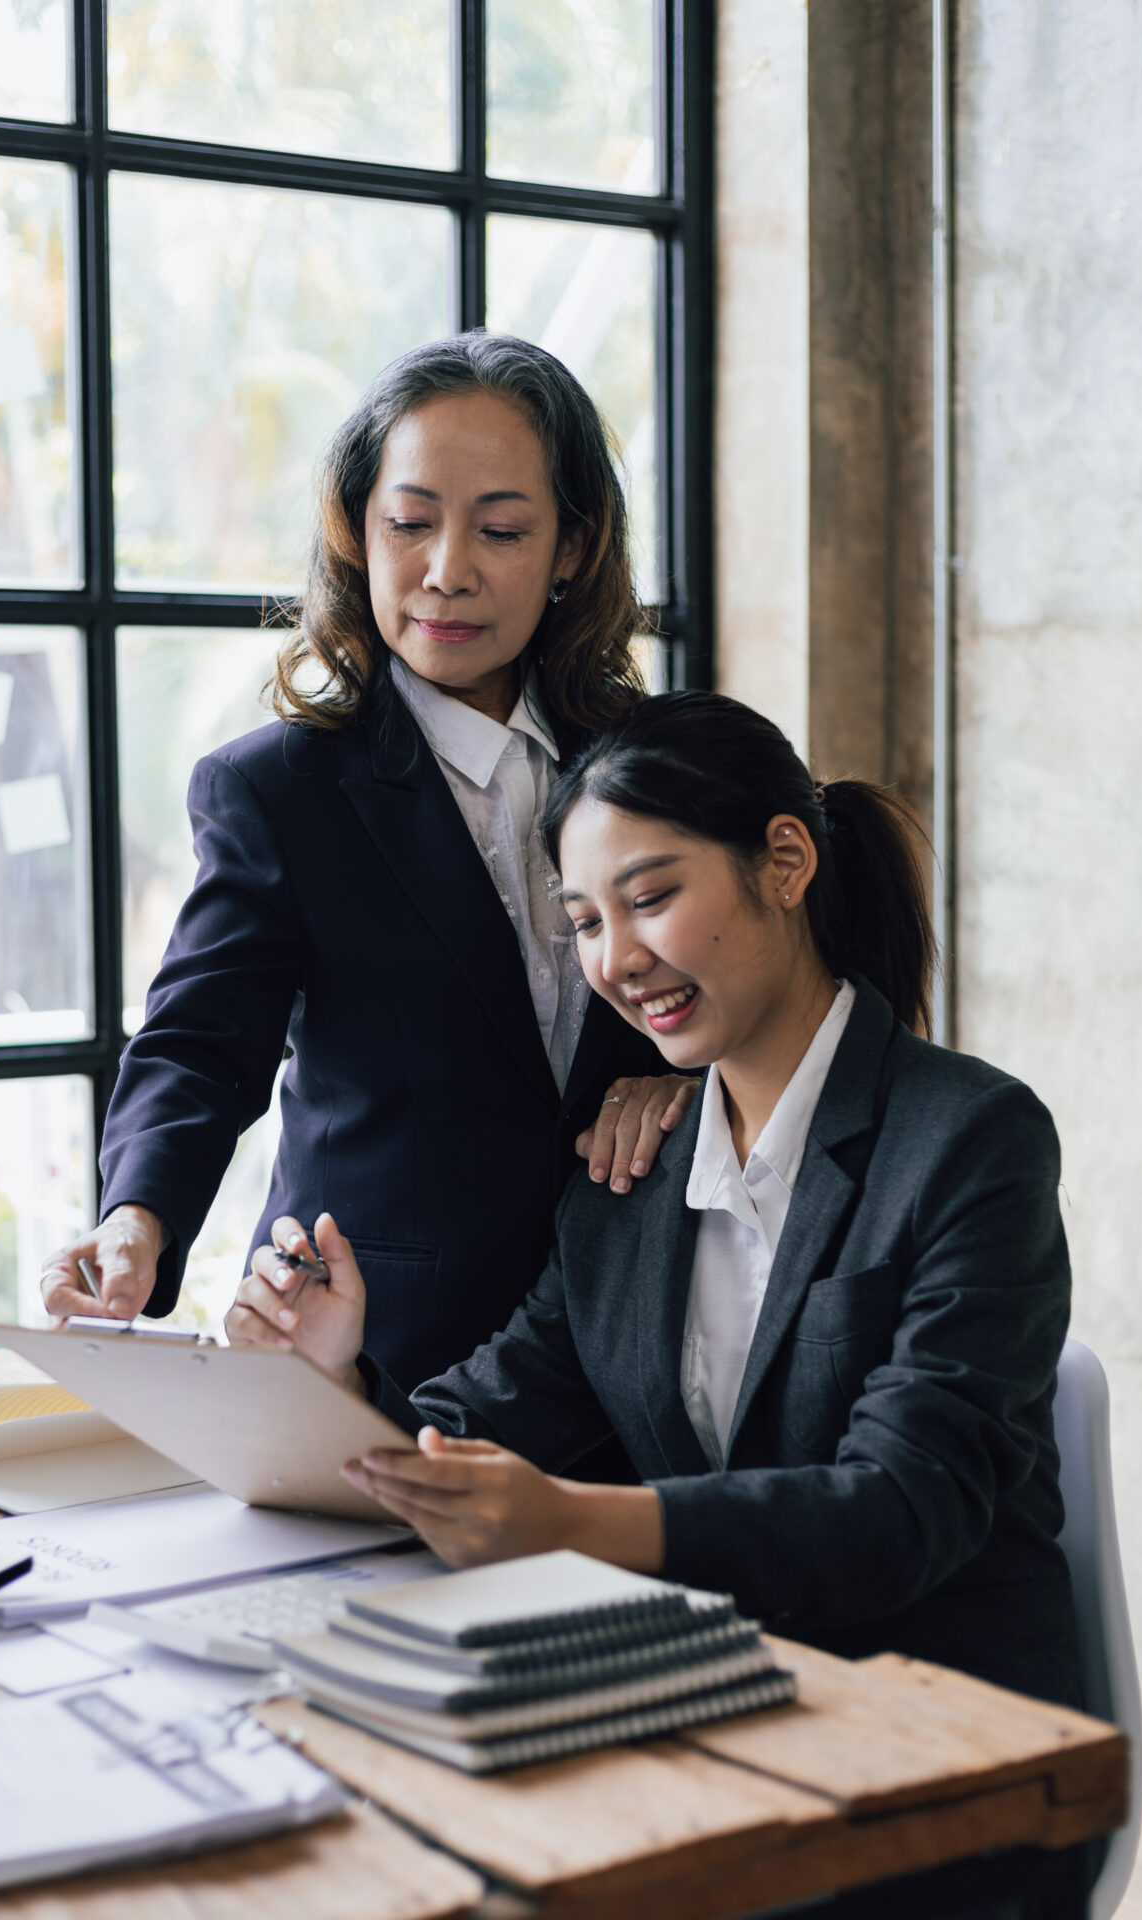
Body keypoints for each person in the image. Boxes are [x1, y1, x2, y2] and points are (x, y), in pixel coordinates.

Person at [232, 690, 1084, 1713]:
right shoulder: (631, 1171)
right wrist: (328, 1379)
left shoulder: (969, 1137)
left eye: (649, 898)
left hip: (945, 1724)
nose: (616, 960)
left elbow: (905, 1508)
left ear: (785, 862)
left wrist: (575, 1522)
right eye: (585, 923)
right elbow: (477, 1427)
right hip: (710, 1694)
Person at [42, 332, 693, 1391]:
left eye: (501, 530)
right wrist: (137, 1217)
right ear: (356, 530)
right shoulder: (278, 790)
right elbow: (200, 1044)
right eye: (409, 523)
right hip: (368, 1348)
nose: (446, 572)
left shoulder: (660, 763)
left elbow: (762, 983)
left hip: (634, 1338)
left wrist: (685, 1083)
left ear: (573, 548)